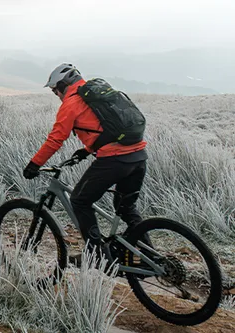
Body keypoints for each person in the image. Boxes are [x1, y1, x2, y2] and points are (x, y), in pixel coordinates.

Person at [23, 63, 148, 262]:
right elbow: (105, 127)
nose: (56, 94)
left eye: (56, 90)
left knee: (80, 201)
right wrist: (87, 150)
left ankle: (96, 254)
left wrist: (34, 164)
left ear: (63, 85)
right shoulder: (95, 94)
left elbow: (56, 139)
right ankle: (149, 256)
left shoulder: (71, 103)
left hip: (114, 160)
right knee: (126, 208)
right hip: (138, 156)